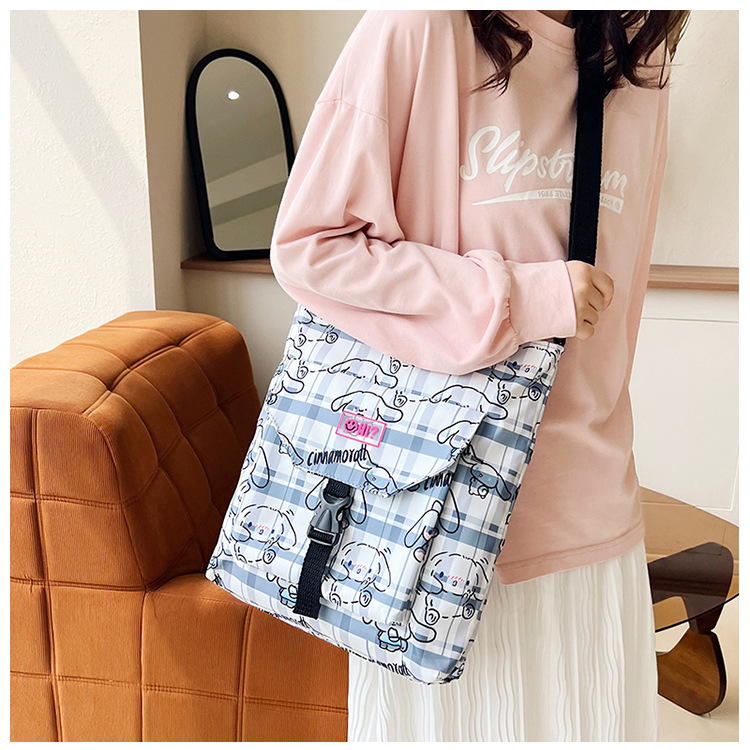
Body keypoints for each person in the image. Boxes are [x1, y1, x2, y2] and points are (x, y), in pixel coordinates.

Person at [270, 9, 690, 742]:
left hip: (597, 522)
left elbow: (615, 319)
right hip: (433, 529)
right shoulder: (420, 27)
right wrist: (519, 296)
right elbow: (312, 248)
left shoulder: (638, 62)